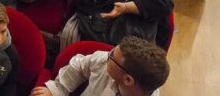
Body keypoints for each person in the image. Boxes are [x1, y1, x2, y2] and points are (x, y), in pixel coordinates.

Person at [32, 36, 169, 96]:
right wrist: (57, 90)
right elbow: (80, 64)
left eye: (111, 57)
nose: (106, 55)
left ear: (128, 80)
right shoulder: (104, 62)